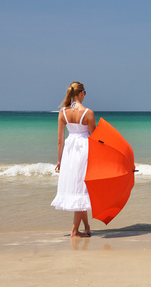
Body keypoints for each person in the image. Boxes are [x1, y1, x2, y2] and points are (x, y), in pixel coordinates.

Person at [51, 82, 96, 238]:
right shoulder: (88, 113)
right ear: (82, 93)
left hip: (70, 151)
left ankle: (87, 227)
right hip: (84, 150)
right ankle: (74, 232)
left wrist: (59, 161)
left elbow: (60, 140)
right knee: (81, 190)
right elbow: (95, 139)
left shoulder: (62, 112)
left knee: (78, 190)